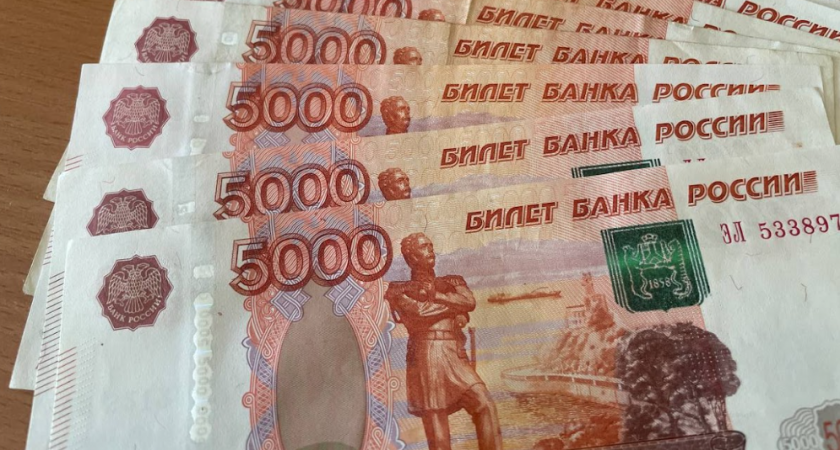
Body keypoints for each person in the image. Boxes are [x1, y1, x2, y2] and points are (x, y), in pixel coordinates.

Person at [384, 233, 502, 450]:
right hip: (426, 356)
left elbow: (469, 302)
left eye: (431, 245)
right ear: (411, 257)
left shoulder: (451, 281)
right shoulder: (399, 289)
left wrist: (436, 296)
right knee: (437, 430)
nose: (430, 250)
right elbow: (420, 313)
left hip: (454, 354)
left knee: (485, 403)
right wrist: (454, 308)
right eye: (423, 247)